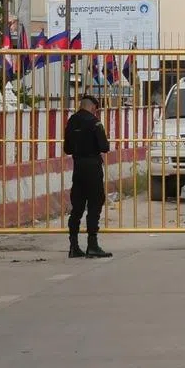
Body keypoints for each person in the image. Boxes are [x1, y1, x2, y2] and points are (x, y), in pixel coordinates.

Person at [64, 93, 112, 259]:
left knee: (77, 207)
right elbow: (104, 147)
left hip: (78, 167)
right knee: (94, 204)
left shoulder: (71, 121)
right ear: (93, 107)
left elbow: (67, 149)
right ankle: (92, 244)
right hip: (92, 167)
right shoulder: (94, 122)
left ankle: (73, 246)